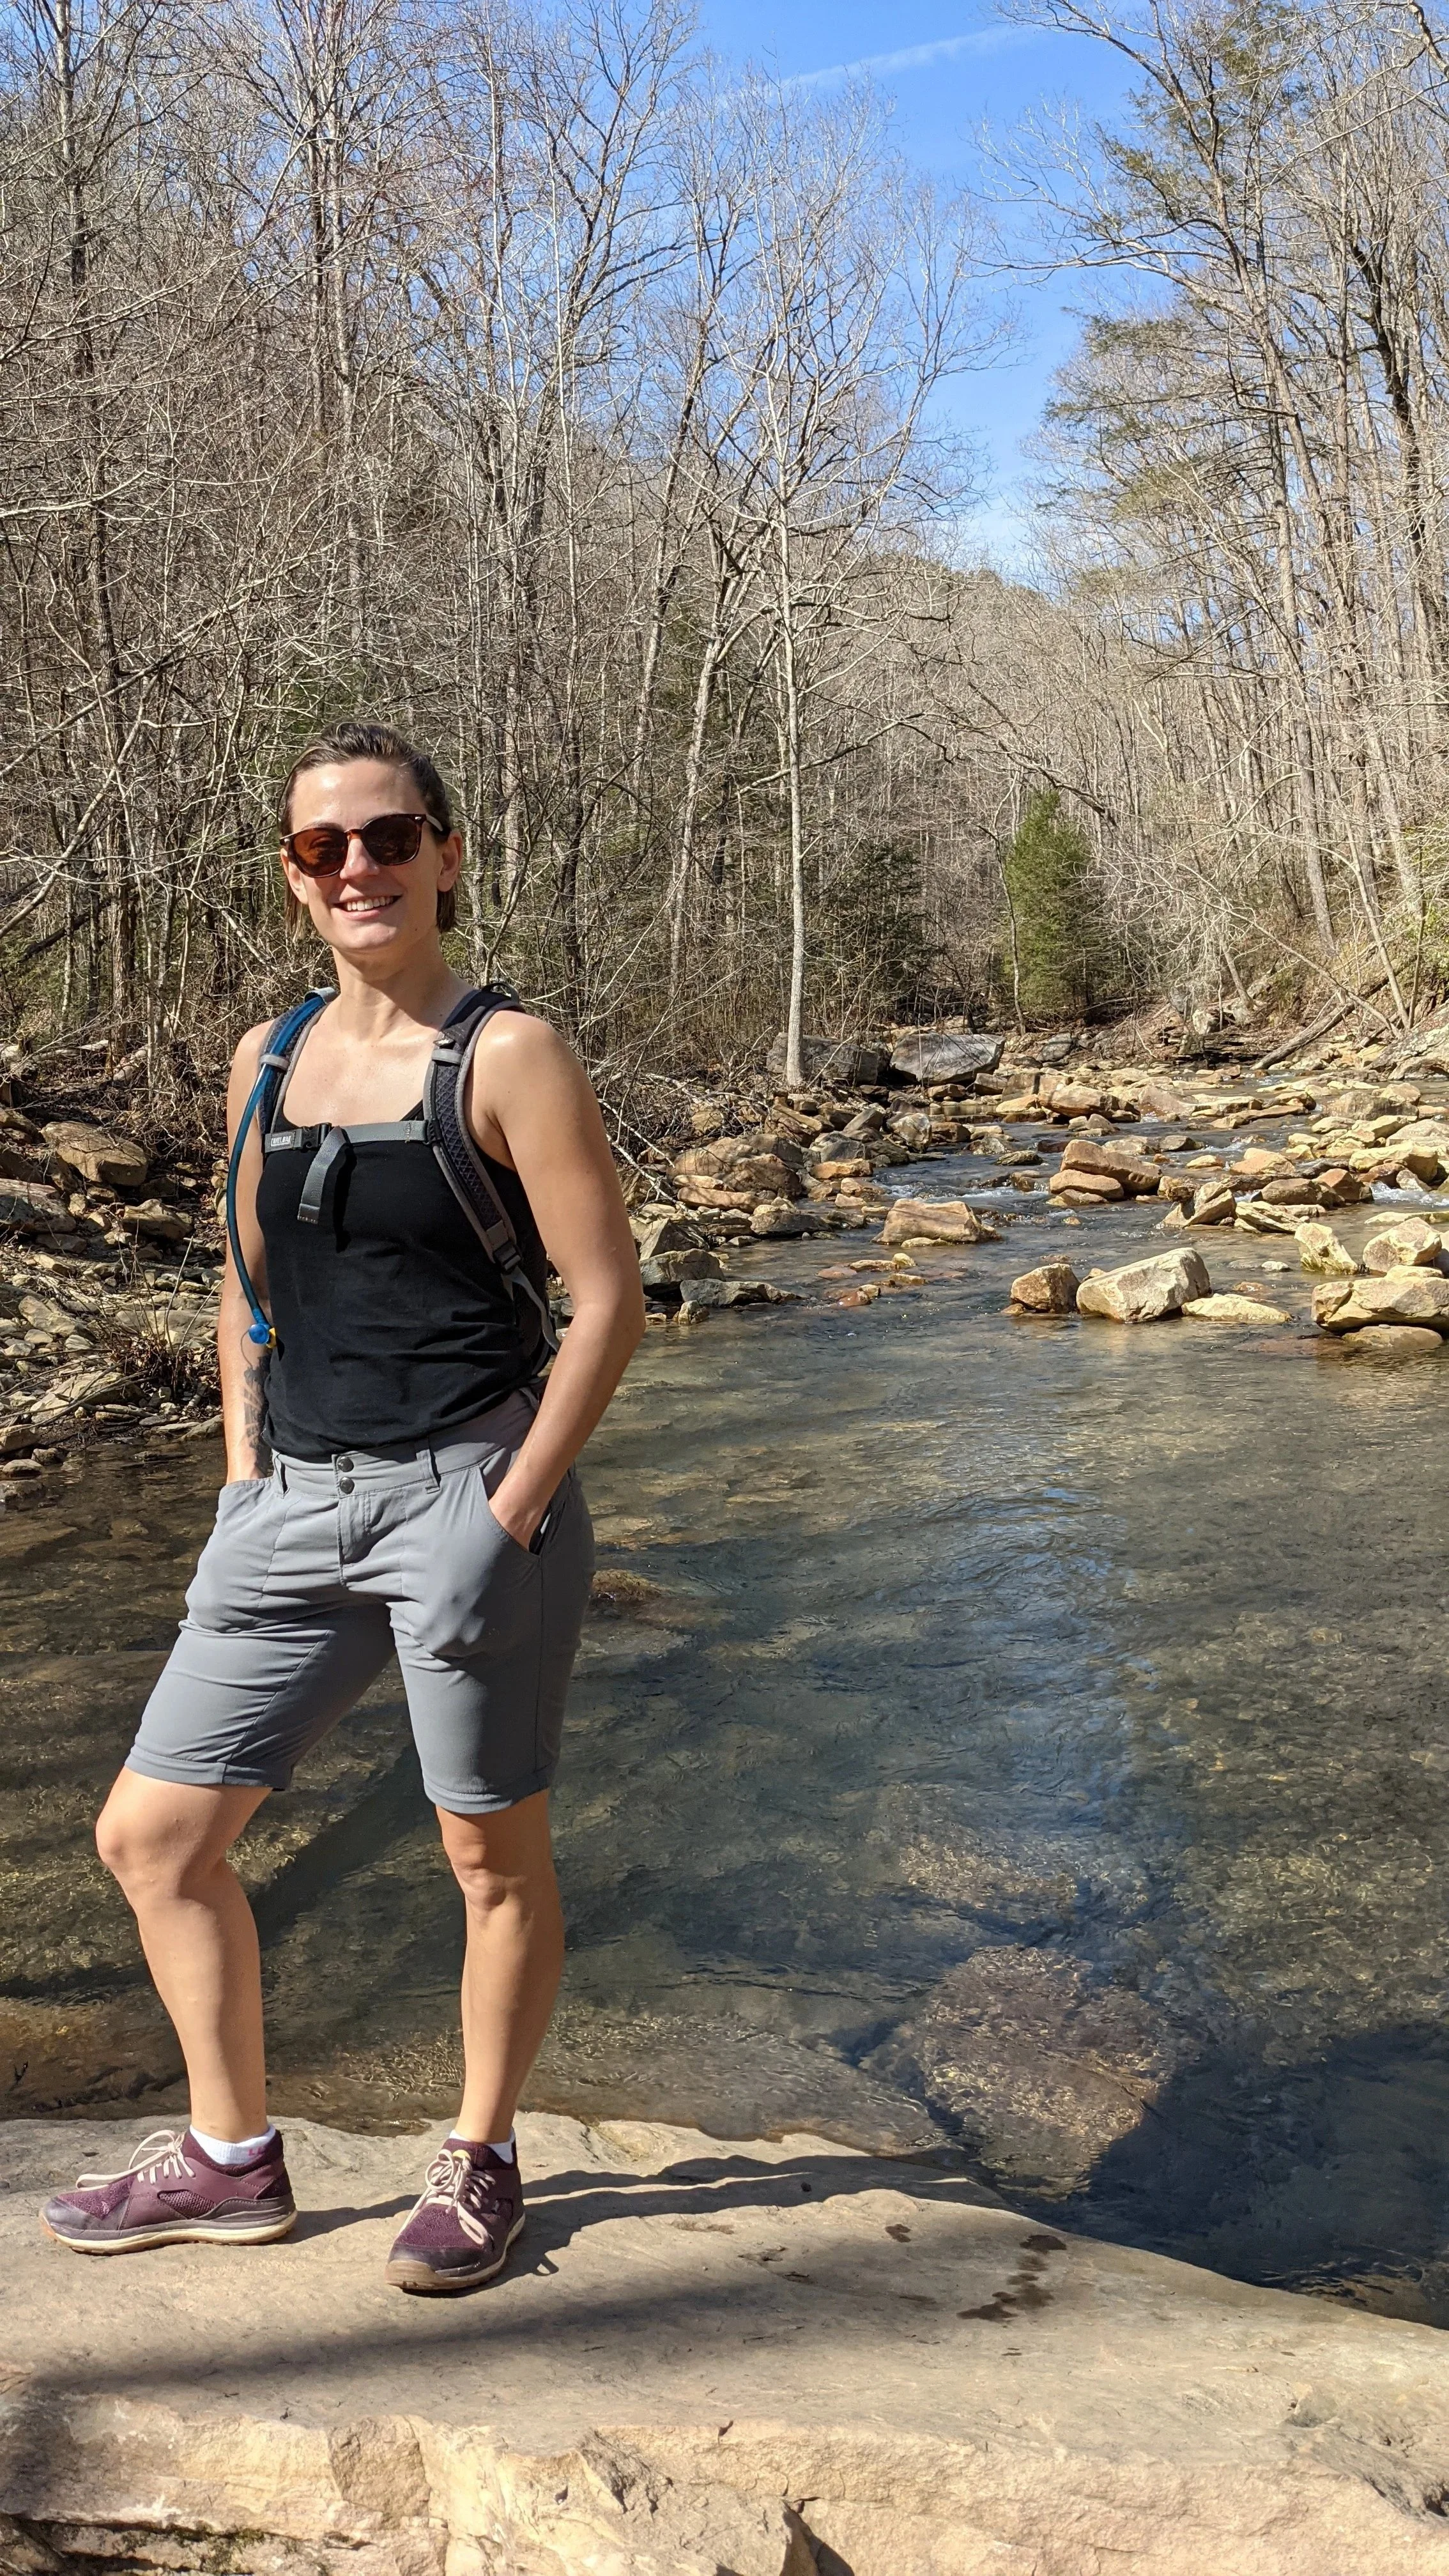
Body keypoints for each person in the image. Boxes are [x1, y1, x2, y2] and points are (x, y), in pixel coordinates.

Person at [40, 719, 645, 2292]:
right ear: (293, 877)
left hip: (470, 1494)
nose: (359, 869)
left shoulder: (507, 1054)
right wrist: (242, 1478)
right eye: (325, 849)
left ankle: (482, 2153)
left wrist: (505, 1514)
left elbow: (606, 1303)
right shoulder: (265, 1055)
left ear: (447, 851)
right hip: (291, 1505)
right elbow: (245, 1289)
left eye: (390, 838)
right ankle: (231, 2158)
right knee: (153, 1838)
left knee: (486, 1856)